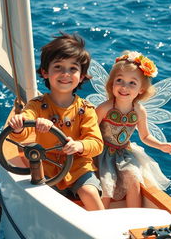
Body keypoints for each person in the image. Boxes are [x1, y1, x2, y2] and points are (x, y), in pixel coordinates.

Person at [8, 32, 104, 211]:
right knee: (49, 203)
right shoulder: (37, 105)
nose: (65, 74)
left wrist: (79, 146)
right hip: (46, 166)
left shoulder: (86, 109)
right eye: (58, 67)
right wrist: (20, 124)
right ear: (45, 72)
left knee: (90, 192)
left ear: (82, 76)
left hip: (77, 166)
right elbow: (25, 126)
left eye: (73, 69)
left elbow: (96, 143)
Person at [96, 50, 171, 208]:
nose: (124, 87)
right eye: (119, 80)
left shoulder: (139, 110)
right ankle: (99, 216)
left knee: (134, 179)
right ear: (112, 83)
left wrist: (161, 145)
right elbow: (90, 132)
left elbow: (145, 136)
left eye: (132, 83)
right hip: (101, 152)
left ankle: (135, 216)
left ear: (141, 89)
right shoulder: (104, 108)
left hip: (124, 152)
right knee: (107, 183)